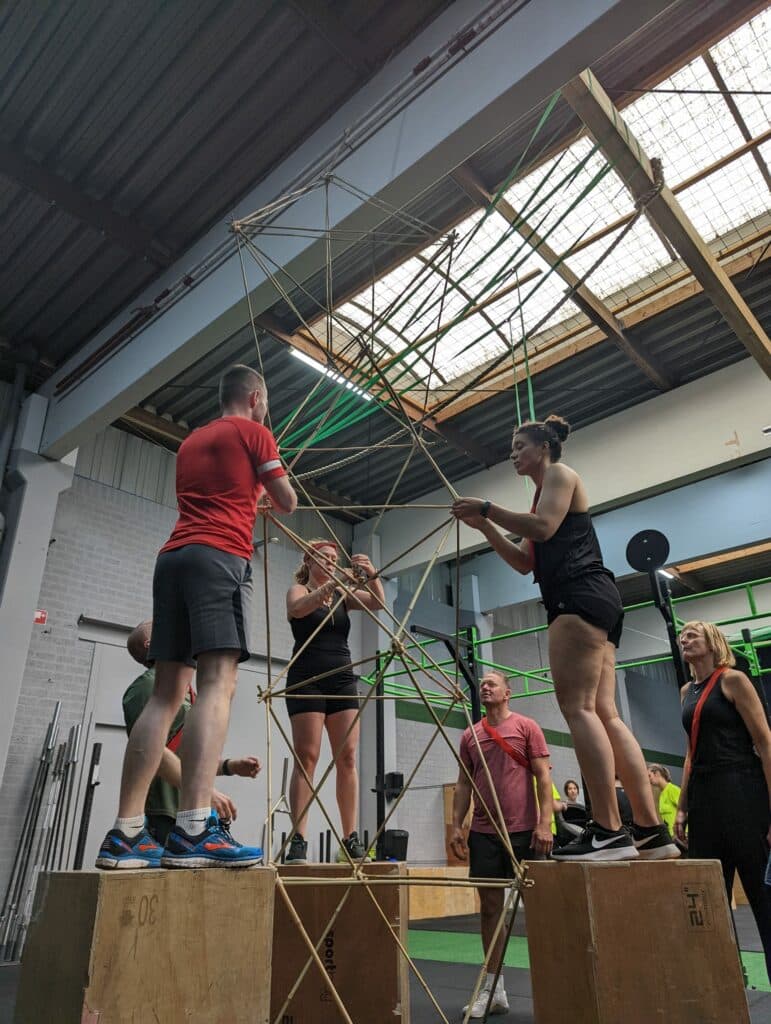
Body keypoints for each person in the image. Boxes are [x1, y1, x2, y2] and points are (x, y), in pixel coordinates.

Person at [96, 364, 297, 869]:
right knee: (217, 684)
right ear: (255, 397)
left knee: (165, 695)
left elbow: (219, 494)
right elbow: (288, 502)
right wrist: (269, 481)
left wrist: (251, 492)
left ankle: (125, 833)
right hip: (220, 557)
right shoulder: (254, 432)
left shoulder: (190, 442)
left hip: (173, 558)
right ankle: (193, 829)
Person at [452, 415, 677, 861]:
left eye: (520, 445)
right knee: (606, 713)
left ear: (544, 447)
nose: (513, 454)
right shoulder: (542, 496)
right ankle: (650, 831)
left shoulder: (559, 474)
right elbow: (524, 561)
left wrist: (487, 508)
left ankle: (609, 830)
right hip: (595, 598)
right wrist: (486, 527)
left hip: (577, 595)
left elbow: (542, 528)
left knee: (579, 709)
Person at [449, 670, 553, 1018]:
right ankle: (494, 991)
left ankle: (555, 986)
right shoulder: (470, 734)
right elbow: (464, 783)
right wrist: (456, 826)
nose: (485, 687)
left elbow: (543, 777)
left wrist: (544, 824)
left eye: (492, 683)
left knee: (541, 910)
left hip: (525, 832)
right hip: (484, 833)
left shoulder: (526, 727)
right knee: (490, 910)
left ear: (508, 692)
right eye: (482, 684)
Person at [676, 620, 771, 981]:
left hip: (742, 791)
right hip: (704, 798)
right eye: (682, 635)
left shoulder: (733, 680)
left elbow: (765, 742)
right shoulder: (686, 691)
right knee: (708, 901)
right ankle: (723, 986)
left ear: (713, 641)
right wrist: (682, 807)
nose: (684, 638)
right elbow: (690, 753)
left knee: (763, 899)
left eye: (693, 634)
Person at [284, 539, 384, 864]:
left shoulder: (342, 595)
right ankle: (298, 838)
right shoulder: (298, 590)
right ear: (309, 560)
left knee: (348, 758)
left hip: (341, 678)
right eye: (324, 557)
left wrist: (372, 575)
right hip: (307, 679)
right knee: (307, 758)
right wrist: (334, 583)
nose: (330, 562)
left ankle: (350, 837)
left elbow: (377, 603)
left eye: (334, 558)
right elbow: (299, 609)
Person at [122, 620, 261, 844]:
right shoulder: (148, 688)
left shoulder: (182, 689)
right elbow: (150, 752)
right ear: (151, 643)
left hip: (190, 809)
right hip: (165, 813)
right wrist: (205, 792)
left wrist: (230, 766)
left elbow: (187, 759)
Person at [647, 764, 681, 836]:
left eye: (649, 776)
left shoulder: (672, 789)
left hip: (679, 835)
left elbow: (685, 810)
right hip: (670, 835)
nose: (648, 780)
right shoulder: (662, 794)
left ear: (657, 773)